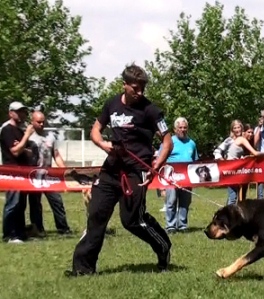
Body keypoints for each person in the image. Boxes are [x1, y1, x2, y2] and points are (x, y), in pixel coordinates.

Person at [65, 64, 174, 277]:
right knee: (96, 214)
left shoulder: (151, 110)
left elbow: (168, 142)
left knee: (132, 221)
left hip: (137, 170)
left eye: (143, 88)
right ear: (124, 85)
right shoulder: (111, 104)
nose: (140, 92)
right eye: (135, 88)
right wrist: (104, 145)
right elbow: (95, 130)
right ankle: (83, 269)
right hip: (111, 169)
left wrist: (156, 166)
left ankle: (163, 246)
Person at [27, 111, 72, 237]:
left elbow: (56, 155)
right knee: (35, 204)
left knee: (57, 201)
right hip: (33, 176)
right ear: (32, 121)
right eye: (38, 122)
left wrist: (64, 170)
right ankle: (38, 229)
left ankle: (63, 228)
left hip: (48, 176)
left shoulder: (50, 136)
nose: (41, 124)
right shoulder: (28, 137)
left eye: (43, 121)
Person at [0, 101, 34, 244]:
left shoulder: (20, 131)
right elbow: (15, 151)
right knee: (12, 203)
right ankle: (9, 234)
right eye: (19, 111)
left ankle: (20, 232)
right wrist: (26, 136)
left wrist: (22, 146)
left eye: (23, 111)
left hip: (23, 171)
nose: (22, 114)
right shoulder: (7, 129)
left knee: (21, 203)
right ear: (11, 113)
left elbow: (27, 151)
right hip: (12, 171)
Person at [163, 117, 198, 233]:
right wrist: (161, 185)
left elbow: (195, 161)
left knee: (185, 202)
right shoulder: (169, 142)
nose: (183, 130)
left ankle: (182, 225)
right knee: (171, 201)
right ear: (175, 129)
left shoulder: (192, 143)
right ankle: (171, 226)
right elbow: (160, 160)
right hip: (171, 179)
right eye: (180, 128)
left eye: (185, 128)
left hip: (187, 179)